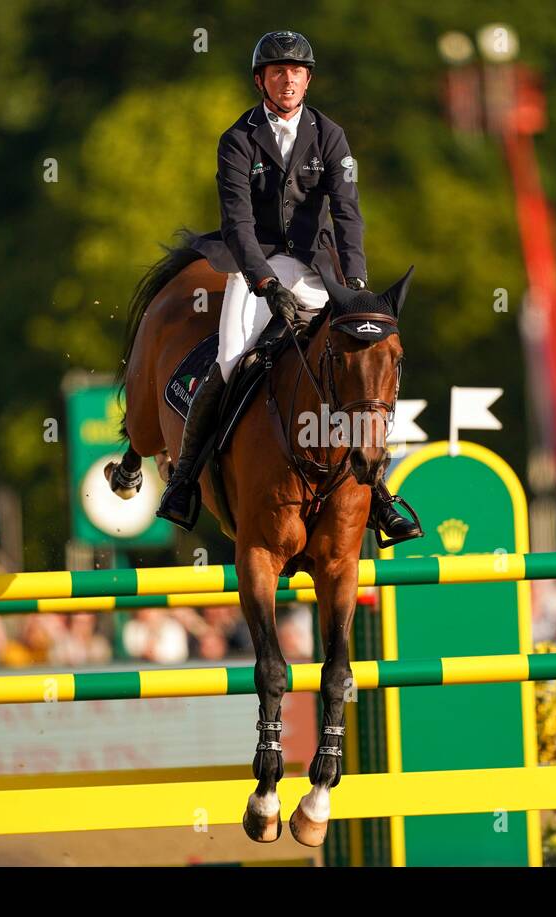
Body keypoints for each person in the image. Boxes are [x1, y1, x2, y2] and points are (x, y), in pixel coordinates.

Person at [157, 30, 422, 546]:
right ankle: (186, 478)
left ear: (308, 79)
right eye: (278, 71)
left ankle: (379, 491)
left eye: (297, 72)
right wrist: (263, 282)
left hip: (317, 267)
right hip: (253, 263)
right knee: (234, 359)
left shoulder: (330, 136)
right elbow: (236, 223)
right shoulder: (237, 140)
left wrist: (357, 281)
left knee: (356, 356)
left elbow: (347, 213)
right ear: (261, 80)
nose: (288, 80)